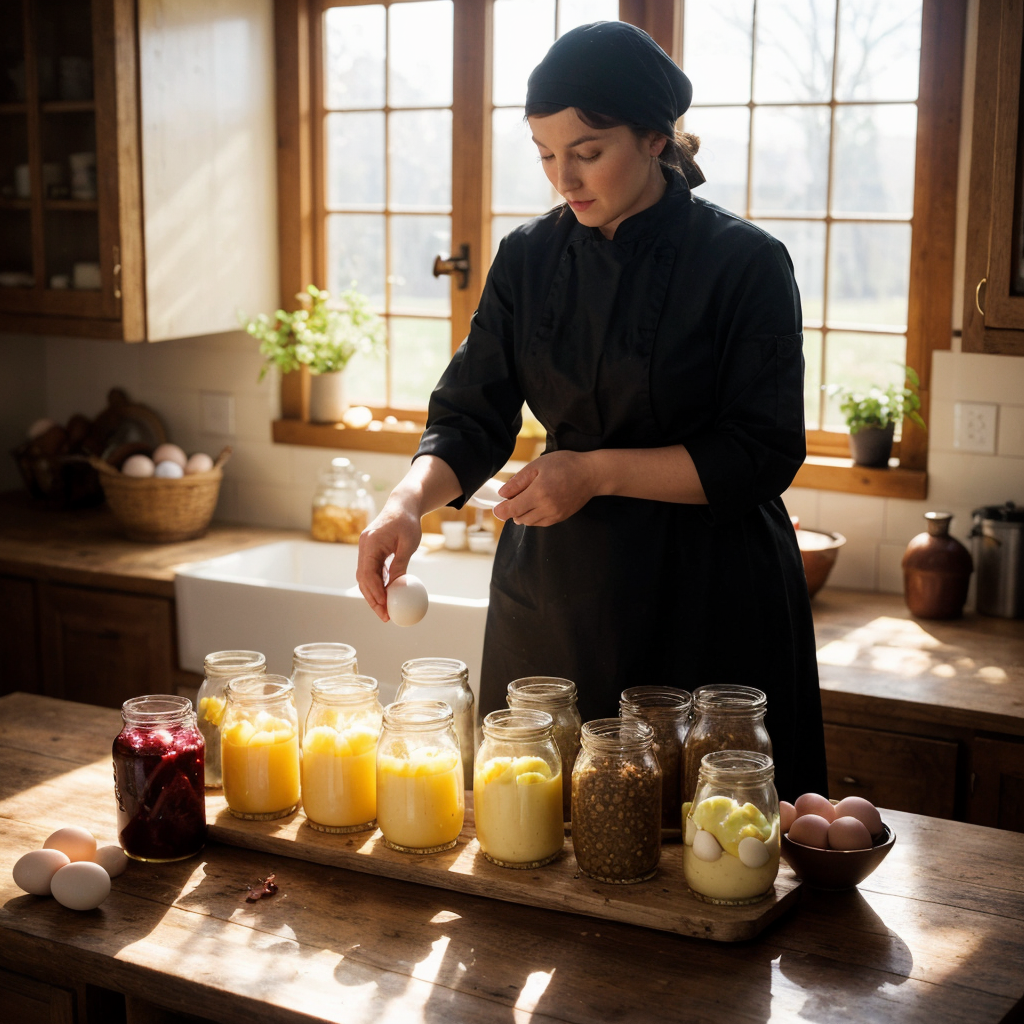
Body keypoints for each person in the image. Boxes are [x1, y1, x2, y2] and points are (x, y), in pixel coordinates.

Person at [356, 21, 828, 801]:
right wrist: (405, 503)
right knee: (540, 825)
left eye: (587, 151)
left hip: (707, 597)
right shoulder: (528, 258)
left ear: (654, 137)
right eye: (545, 154)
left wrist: (595, 472)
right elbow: (473, 414)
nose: (563, 178)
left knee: (713, 842)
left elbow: (762, 451)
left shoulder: (745, 263)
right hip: (559, 601)